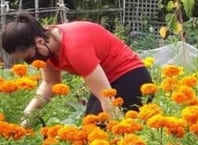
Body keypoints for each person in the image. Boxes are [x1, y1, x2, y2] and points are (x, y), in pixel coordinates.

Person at [1, 12, 153, 123]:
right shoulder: (47, 47)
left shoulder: (75, 48)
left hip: (131, 77)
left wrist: (119, 136)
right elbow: (50, 83)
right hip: (108, 81)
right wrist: (25, 119)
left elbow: (106, 97)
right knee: (90, 127)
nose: (31, 62)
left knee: (100, 129)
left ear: (39, 41)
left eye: (28, 57)